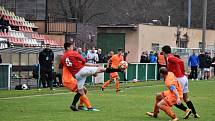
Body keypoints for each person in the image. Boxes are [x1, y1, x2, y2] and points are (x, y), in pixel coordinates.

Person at [60, 41, 123, 111]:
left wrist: (93, 66)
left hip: (77, 75)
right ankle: (89, 107)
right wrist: (93, 69)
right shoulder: (73, 53)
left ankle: (77, 105)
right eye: (72, 46)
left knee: (83, 90)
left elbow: (64, 66)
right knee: (102, 69)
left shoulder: (63, 58)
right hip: (72, 77)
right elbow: (83, 61)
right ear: (68, 47)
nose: (73, 48)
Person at [162, 45, 200, 119]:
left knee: (174, 99)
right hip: (183, 78)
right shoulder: (171, 57)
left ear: (163, 52)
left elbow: (180, 61)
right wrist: (182, 72)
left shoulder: (169, 57)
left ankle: (187, 110)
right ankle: (195, 113)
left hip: (179, 79)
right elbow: (180, 62)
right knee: (186, 98)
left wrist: (180, 72)